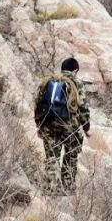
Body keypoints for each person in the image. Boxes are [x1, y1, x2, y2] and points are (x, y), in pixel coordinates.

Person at [34, 57, 90, 192]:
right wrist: (86, 127)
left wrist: (39, 125)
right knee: (71, 155)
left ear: (62, 68)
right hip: (70, 126)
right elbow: (84, 108)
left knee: (52, 156)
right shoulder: (77, 83)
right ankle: (68, 187)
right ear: (75, 70)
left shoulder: (49, 81)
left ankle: (53, 187)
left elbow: (37, 103)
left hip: (48, 124)